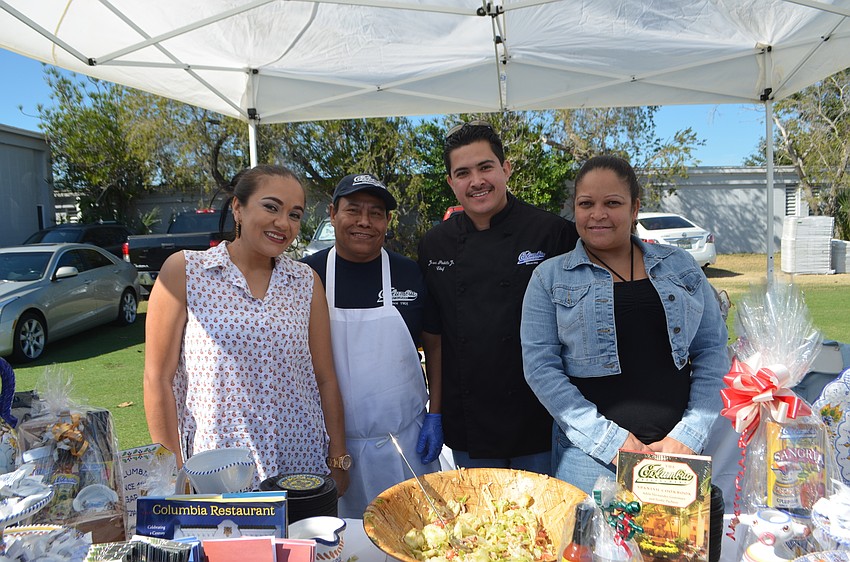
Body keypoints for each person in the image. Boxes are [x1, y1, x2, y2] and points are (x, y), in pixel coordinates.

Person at [520, 155, 730, 493]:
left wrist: (688, 436)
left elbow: (712, 350)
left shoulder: (681, 266)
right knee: (591, 547)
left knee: (665, 546)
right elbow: (541, 369)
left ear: (634, 208)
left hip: (676, 454)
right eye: (586, 203)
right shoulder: (548, 278)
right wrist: (614, 443)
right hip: (590, 458)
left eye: (612, 203)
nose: (598, 214)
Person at [143, 165, 349, 495]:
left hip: (299, 466)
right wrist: (173, 476)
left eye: (295, 215)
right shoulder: (186, 271)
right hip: (217, 472)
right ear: (238, 208)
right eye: (271, 207)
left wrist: (338, 458)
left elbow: (325, 377)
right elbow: (158, 378)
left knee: (305, 548)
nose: (283, 223)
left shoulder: (305, 282)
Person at [417, 121, 579, 472]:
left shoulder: (552, 233)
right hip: (470, 423)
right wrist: (436, 411)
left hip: (541, 415)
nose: (476, 181)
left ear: (505, 169)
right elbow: (435, 336)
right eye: (463, 173)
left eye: (485, 167)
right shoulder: (434, 244)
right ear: (450, 182)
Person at [302, 173, 440, 518]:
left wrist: (437, 413)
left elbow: (436, 348)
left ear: (387, 221)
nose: (364, 222)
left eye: (376, 213)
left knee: (414, 539)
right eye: (353, 210)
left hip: (403, 446)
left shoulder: (410, 273)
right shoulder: (306, 275)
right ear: (333, 214)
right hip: (328, 452)